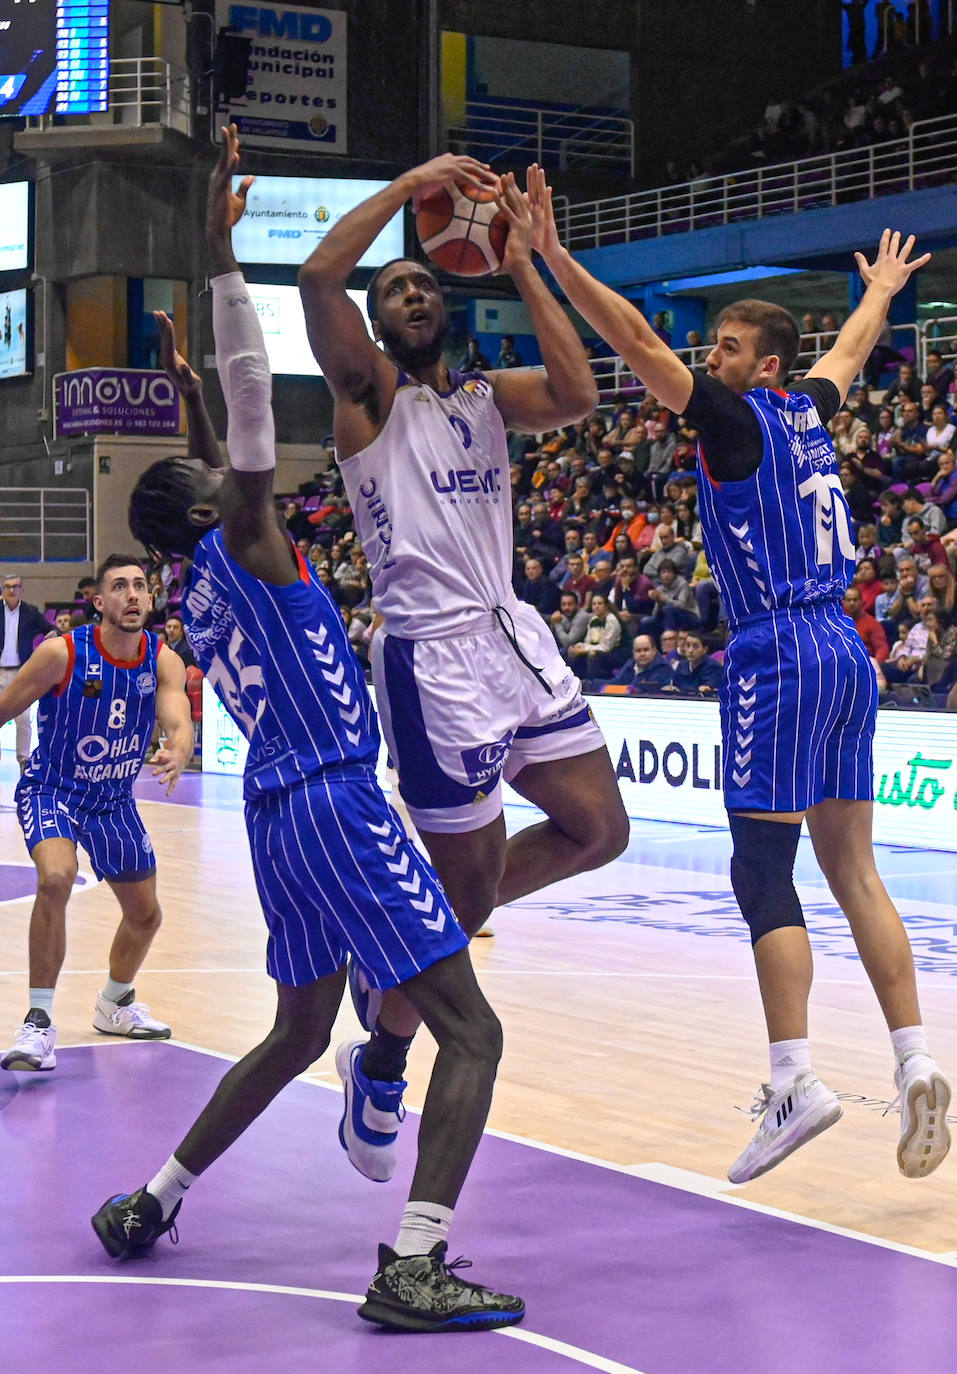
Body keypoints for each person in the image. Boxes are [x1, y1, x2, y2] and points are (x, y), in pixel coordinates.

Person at [99, 127, 526, 1335]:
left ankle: (151, 1198)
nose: (243, 472)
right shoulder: (246, 534)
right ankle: (416, 1265)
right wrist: (223, 259)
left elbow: (209, 437)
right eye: (219, 473)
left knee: (296, 1031)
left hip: (274, 813)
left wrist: (182, 381)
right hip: (337, 797)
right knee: (472, 1030)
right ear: (205, 505)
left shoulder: (200, 579)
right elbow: (243, 410)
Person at [530, 173, 950, 1184]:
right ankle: (918, 1058)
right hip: (848, 653)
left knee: (761, 871)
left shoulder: (740, 419)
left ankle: (795, 1078)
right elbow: (848, 355)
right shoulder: (810, 411)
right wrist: (880, 296)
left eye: (720, 348)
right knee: (855, 871)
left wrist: (552, 255)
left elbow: (633, 338)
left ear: (759, 367)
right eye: (707, 346)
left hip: (777, 649)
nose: (704, 359)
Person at [297, 153, 629, 1135]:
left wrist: (526, 260)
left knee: (600, 832)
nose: (408, 293)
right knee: (469, 885)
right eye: (393, 289)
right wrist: (410, 190)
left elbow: (580, 396)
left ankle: (401, 949)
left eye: (422, 283)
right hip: (428, 657)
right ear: (380, 322)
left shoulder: (486, 399)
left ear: (448, 304)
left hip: (510, 636)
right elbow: (321, 278)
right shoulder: (367, 397)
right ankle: (388, 1055)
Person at [0, 555, 192, 1073]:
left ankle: (115, 1003)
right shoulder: (61, 654)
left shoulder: (163, 659)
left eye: (139, 586)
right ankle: (38, 1022)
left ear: (151, 599)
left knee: (146, 915)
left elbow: (179, 721)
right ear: (98, 601)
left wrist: (178, 749)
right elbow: (5, 706)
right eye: (119, 587)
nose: (131, 595)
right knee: (57, 878)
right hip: (54, 790)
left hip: (115, 800)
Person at [0, 572, 51, 769]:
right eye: (7, 586)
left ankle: (24, 760)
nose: (11, 590)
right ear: (3, 590)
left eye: (15, 586)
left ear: (22, 589)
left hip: (21, 672)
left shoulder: (30, 612)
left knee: (23, 720)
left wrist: (50, 642)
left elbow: (51, 629)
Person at [609, 633, 675, 691]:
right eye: (638, 651)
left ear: (654, 650)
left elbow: (644, 691)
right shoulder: (630, 664)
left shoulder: (663, 667)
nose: (642, 654)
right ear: (633, 653)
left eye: (646, 650)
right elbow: (616, 683)